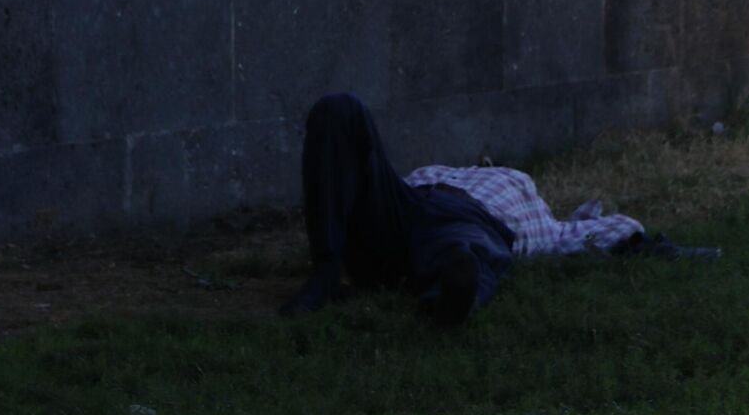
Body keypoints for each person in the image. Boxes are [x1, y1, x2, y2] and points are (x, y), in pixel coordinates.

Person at [279, 94, 718, 326]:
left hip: (471, 224)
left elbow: (589, 234)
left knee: (470, 253)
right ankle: (326, 271)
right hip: (409, 203)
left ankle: (450, 298)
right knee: (341, 108)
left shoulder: (541, 214)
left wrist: (654, 245)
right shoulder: (445, 168)